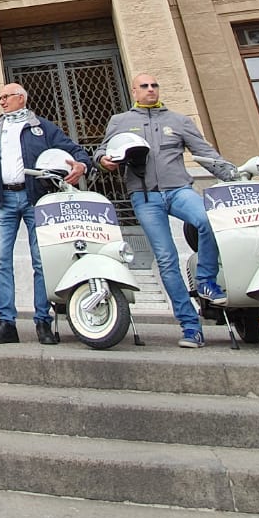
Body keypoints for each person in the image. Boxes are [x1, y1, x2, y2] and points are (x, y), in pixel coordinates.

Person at [100, 73, 239, 350]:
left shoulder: (179, 120)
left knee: (207, 220)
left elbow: (206, 153)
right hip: (145, 196)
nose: (151, 90)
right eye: (145, 86)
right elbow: (103, 151)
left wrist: (233, 175)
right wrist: (103, 160)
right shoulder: (121, 121)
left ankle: (206, 281)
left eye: (154, 85)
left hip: (179, 190)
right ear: (134, 92)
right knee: (166, 258)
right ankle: (190, 327)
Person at [0, 84, 89, 346]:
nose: (1, 101)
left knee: (40, 261)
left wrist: (82, 164)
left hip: (35, 199)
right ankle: (6, 322)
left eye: (6, 97)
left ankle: (42, 321)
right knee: (1, 261)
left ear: (21, 98)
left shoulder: (42, 127)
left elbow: (73, 150)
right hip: (3, 200)